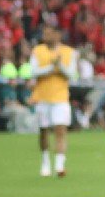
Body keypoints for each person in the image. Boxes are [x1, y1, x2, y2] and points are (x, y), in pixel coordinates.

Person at [30, 24, 77, 178]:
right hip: (42, 97)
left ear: (58, 35)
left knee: (60, 130)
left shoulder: (68, 52)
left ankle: (59, 165)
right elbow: (34, 71)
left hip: (60, 97)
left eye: (49, 33)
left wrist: (60, 66)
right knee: (43, 131)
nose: (46, 36)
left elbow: (70, 73)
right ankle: (45, 161)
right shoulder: (37, 51)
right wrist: (51, 68)